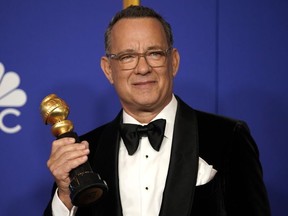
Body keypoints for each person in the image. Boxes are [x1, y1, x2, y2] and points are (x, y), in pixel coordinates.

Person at [43, 5, 271, 216]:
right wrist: (65, 196)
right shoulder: (83, 155)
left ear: (174, 61)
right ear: (108, 69)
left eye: (154, 53)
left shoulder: (228, 137)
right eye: (127, 57)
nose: (143, 68)